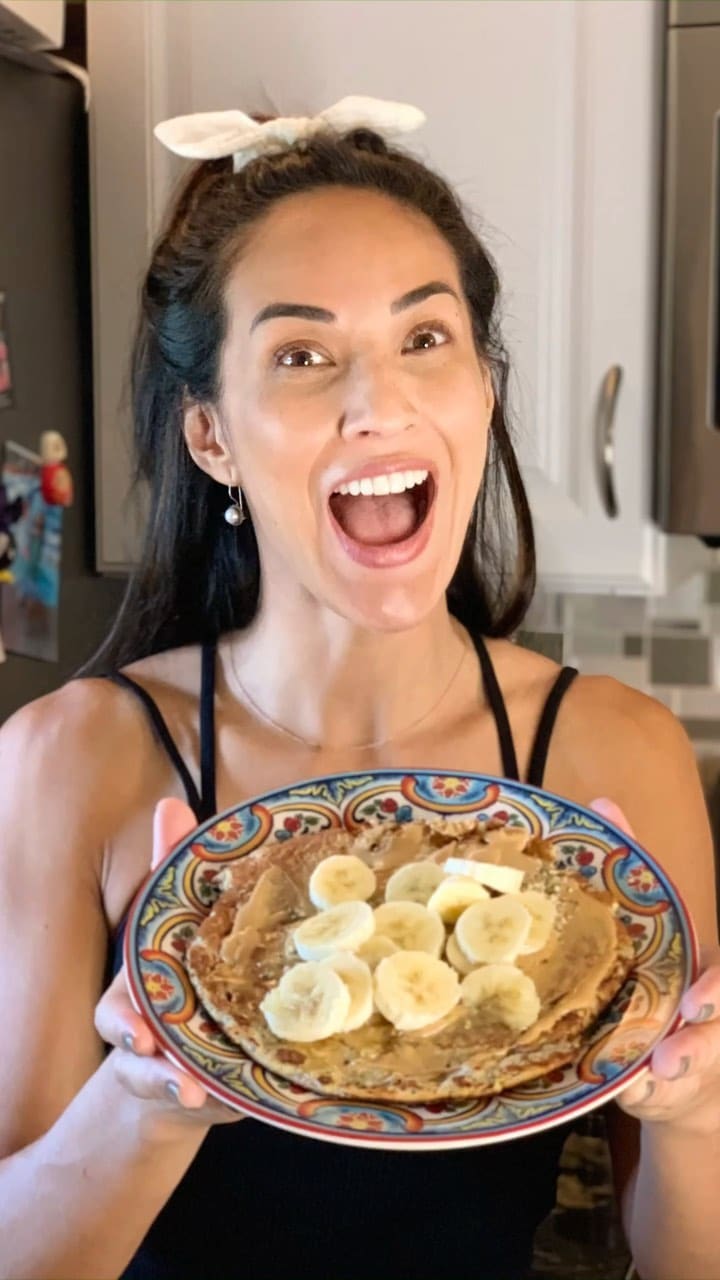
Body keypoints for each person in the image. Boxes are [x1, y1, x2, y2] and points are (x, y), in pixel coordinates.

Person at [0, 95, 718, 1280]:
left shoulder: (611, 756)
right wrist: (147, 1098)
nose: (380, 403)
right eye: (300, 355)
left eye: (425, 338)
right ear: (211, 436)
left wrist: (692, 1106)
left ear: (483, 390)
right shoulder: (72, 757)